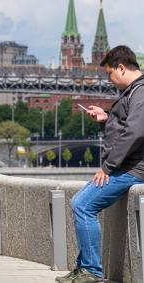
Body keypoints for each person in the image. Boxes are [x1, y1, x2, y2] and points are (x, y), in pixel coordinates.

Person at [56, 45, 144, 283]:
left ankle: (92, 271)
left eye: (110, 74)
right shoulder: (133, 92)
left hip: (132, 169)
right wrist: (107, 117)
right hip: (124, 166)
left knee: (83, 205)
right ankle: (83, 267)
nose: (109, 80)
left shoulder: (141, 91)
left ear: (122, 68)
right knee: (79, 202)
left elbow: (135, 132)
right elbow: (127, 125)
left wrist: (108, 167)